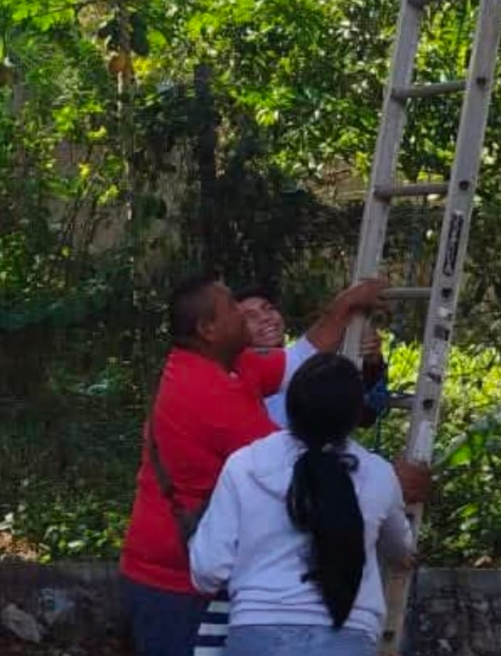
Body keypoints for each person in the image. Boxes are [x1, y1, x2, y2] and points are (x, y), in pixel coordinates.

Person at [119, 275, 427, 656]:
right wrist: (389, 480)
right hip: (173, 585)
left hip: (206, 573)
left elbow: (297, 361)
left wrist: (342, 307)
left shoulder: (229, 365)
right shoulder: (208, 395)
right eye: (233, 308)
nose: (244, 314)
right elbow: (297, 463)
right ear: (207, 329)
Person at [190, 353, 414, 656]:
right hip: (350, 636)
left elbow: (209, 570)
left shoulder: (244, 465)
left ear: (291, 403)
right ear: (354, 414)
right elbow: (401, 549)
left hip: (256, 634)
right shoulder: (379, 475)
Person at [237, 285, 389, 427]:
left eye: (268, 309)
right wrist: (347, 302)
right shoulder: (238, 378)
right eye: (250, 316)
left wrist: (371, 363)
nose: (265, 318)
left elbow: (367, 414)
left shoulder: (314, 365)